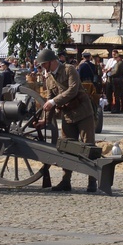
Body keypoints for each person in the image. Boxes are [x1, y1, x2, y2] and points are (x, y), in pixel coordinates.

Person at [36, 48, 97, 192]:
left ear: (51, 62)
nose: (43, 67)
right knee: (67, 147)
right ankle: (66, 181)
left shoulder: (69, 70)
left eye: (44, 64)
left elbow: (73, 90)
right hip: (68, 115)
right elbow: (49, 100)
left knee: (89, 145)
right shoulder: (49, 78)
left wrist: (53, 102)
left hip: (83, 112)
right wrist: (45, 120)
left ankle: (92, 180)